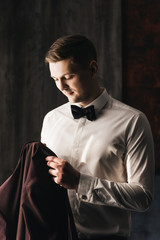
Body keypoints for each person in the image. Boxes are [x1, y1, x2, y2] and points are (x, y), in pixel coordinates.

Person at [41, 35, 155, 240]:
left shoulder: (133, 122)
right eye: (55, 79)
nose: (61, 87)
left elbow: (142, 198)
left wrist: (80, 183)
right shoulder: (51, 120)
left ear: (93, 69)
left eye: (68, 76)